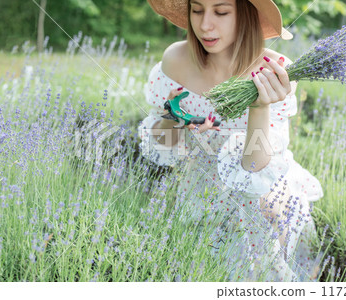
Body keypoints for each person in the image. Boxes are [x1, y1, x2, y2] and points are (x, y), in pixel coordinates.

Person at [139, 0, 324, 281]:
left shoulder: (274, 70)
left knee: (262, 262)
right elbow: (163, 143)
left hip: (261, 194)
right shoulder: (176, 61)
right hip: (199, 188)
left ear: (245, 16)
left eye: (221, 12)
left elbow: (256, 168)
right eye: (197, 10)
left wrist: (259, 108)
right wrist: (174, 116)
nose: (204, 25)